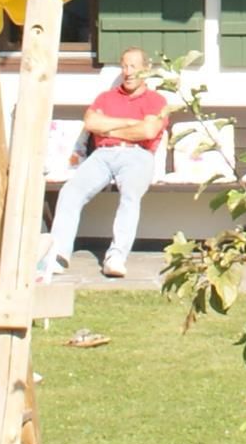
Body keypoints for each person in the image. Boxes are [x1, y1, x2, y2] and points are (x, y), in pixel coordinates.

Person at [36, 46, 173, 281]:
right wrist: (131, 124)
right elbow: (91, 123)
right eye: (124, 66)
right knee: (70, 192)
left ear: (146, 70)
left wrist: (110, 126)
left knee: (130, 196)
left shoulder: (156, 100)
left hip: (138, 155)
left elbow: (149, 130)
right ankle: (58, 254)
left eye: (133, 67)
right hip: (101, 155)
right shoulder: (106, 97)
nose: (127, 72)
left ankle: (116, 257)